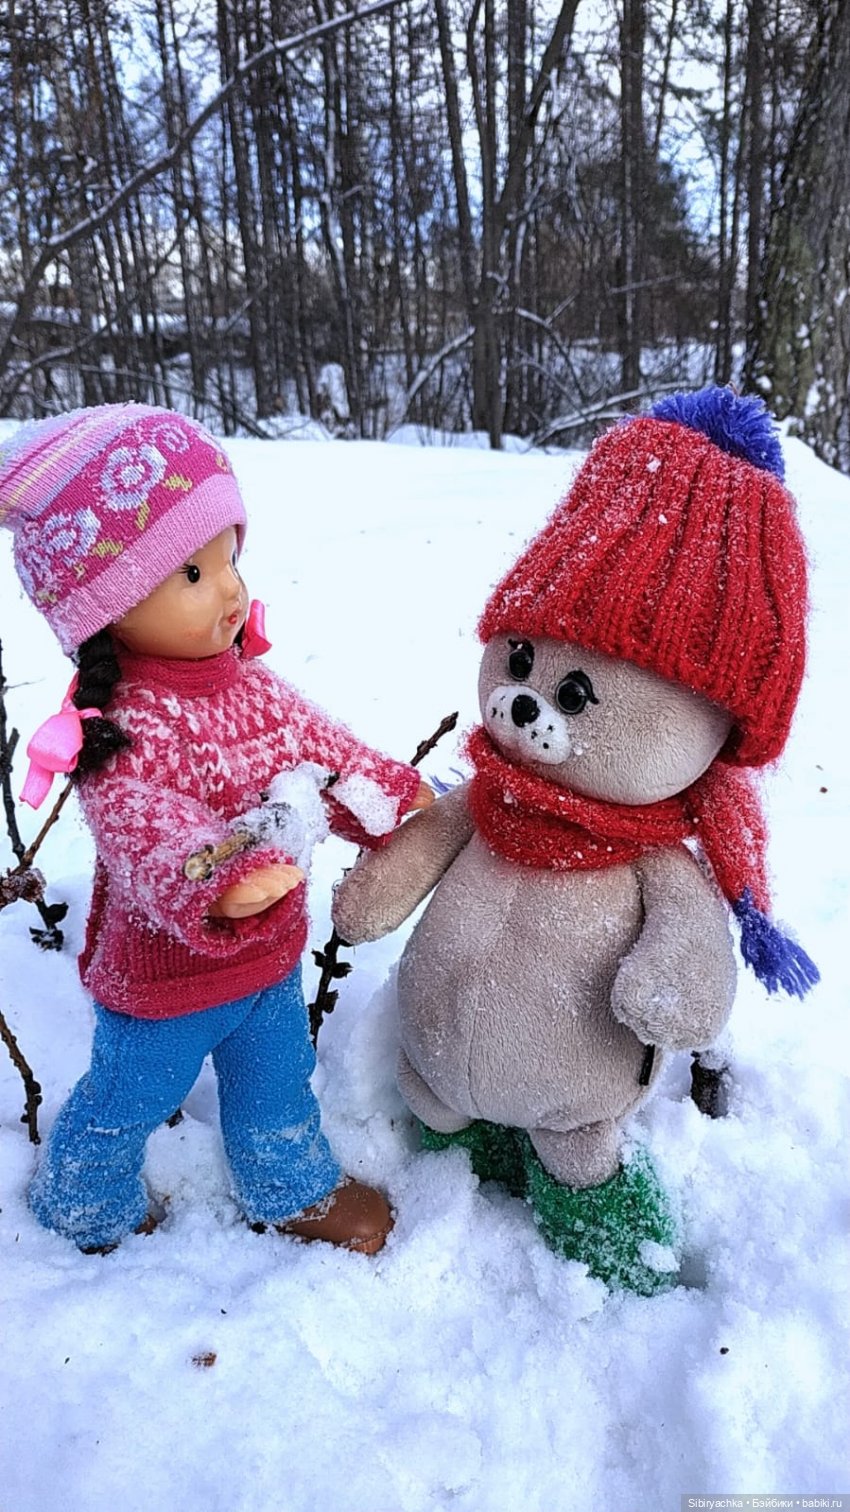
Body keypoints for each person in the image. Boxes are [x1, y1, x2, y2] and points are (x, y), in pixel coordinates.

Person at [0, 404, 431, 1255]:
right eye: (193, 575)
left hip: (267, 968)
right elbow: (148, 830)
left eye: (229, 558)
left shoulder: (250, 685)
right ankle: (82, 1199)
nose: (231, 590)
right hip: (163, 987)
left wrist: (392, 793)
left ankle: (291, 1186)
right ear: (107, 603)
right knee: (122, 1100)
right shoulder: (120, 725)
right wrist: (222, 876)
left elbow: (322, 750)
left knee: (277, 1088)